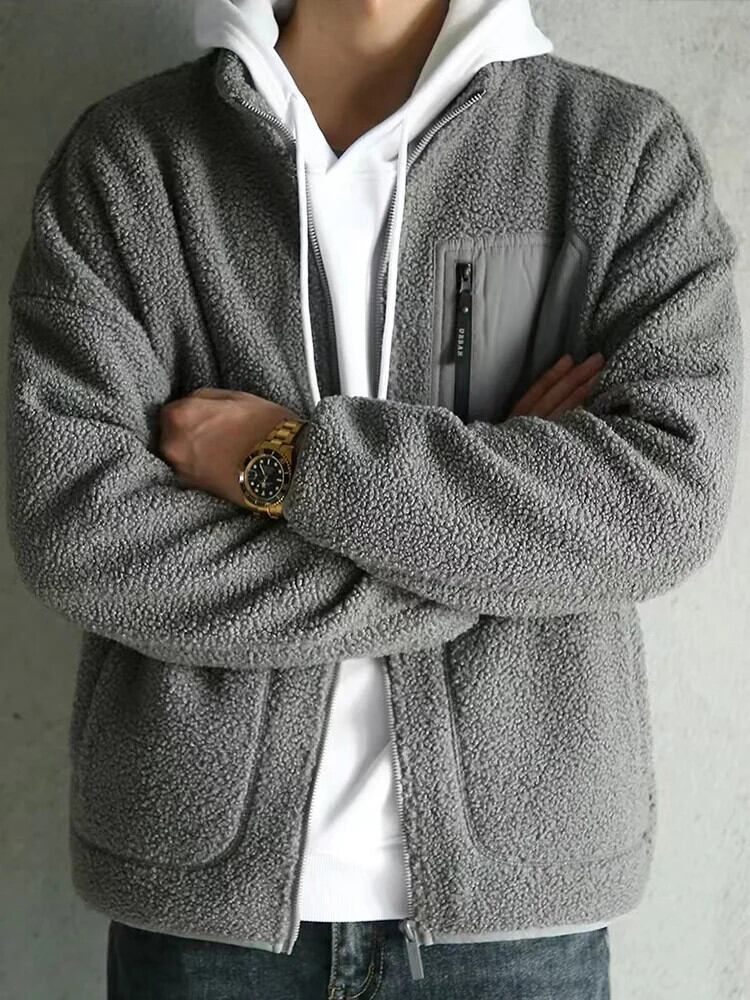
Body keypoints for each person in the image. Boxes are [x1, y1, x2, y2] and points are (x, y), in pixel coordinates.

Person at [6, 0, 742, 997]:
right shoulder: (132, 160)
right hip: (203, 919)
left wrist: (284, 460)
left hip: (517, 920)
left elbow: (660, 503)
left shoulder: (616, 153)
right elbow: (78, 528)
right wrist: (494, 552)